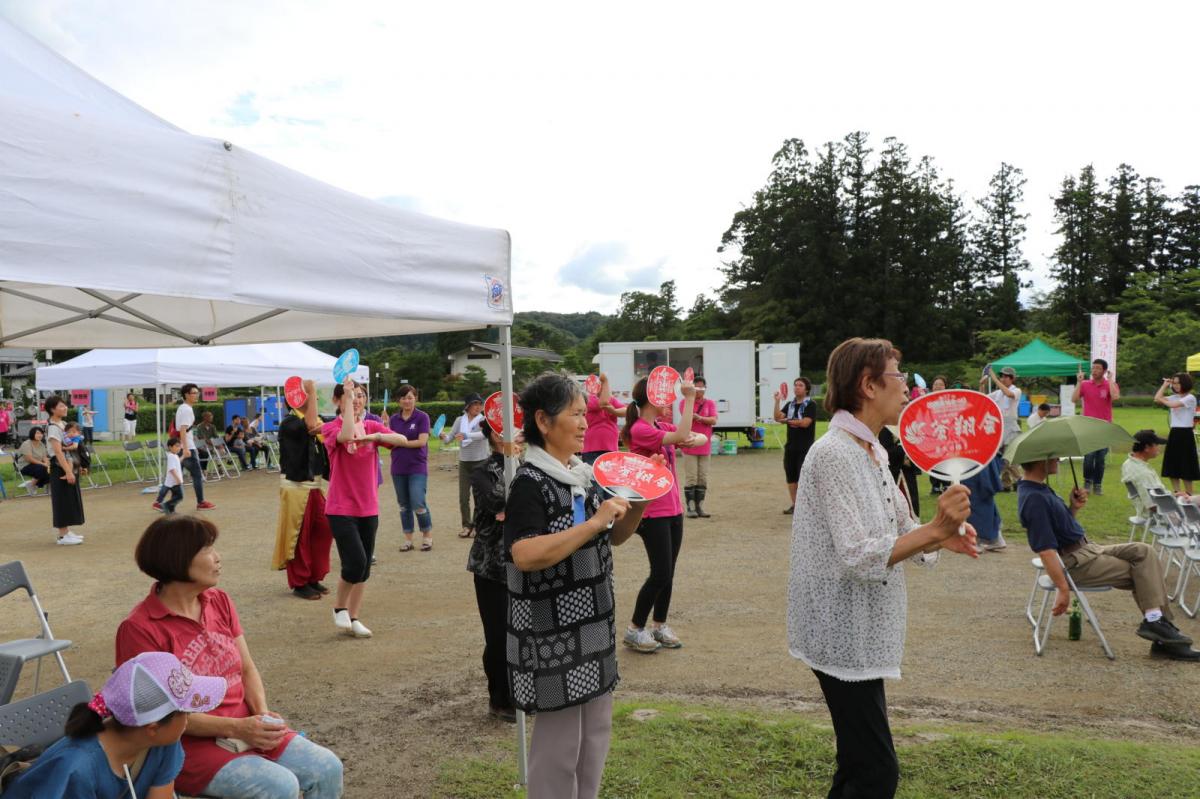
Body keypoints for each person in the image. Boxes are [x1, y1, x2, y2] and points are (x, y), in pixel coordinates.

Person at [788, 337, 979, 799]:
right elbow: (858, 553)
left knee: (858, 764)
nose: (908, 388)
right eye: (899, 376)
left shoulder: (872, 449)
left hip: (860, 630)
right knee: (876, 771)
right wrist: (933, 531)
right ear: (868, 385)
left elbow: (902, 522)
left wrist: (941, 537)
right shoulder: (835, 453)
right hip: (840, 628)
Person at [116, 516, 345, 797]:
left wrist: (260, 713)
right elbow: (160, 716)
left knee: (327, 768)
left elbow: (246, 669)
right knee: (279, 786)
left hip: (247, 725)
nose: (218, 558)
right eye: (207, 550)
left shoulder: (219, 601)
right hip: (186, 747)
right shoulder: (140, 628)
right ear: (177, 558)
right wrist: (237, 728)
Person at [504, 373, 648, 799]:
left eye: (587, 413)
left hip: (593, 625)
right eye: (576, 414)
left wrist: (636, 502)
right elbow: (525, 554)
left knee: (596, 734)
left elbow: (613, 537)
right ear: (544, 422)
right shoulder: (530, 481)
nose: (586, 423)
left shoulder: (582, 475)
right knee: (560, 745)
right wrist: (595, 521)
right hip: (553, 635)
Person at [1017, 456, 1199, 660]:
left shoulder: (1041, 489)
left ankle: (1157, 626)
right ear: (1041, 460)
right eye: (1054, 456)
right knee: (1143, 572)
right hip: (1075, 563)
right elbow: (1046, 550)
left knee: (1144, 551)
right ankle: (1162, 632)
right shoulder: (1034, 498)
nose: (1058, 459)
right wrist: (1062, 588)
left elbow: (1060, 528)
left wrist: (1073, 507)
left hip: (1086, 550)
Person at [1, 650, 227, 799]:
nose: (188, 719)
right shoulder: (76, 769)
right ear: (153, 727)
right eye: (186, 712)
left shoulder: (164, 742)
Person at [622, 375, 703, 652]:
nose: (669, 398)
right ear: (650, 398)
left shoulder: (659, 425)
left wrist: (691, 436)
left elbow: (696, 435)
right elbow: (683, 436)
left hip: (673, 509)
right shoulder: (640, 430)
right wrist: (689, 398)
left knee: (669, 573)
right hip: (652, 512)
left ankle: (659, 625)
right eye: (664, 394)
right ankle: (634, 628)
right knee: (660, 573)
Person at [323, 378, 406, 637]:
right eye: (350, 395)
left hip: (368, 507)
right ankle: (339, 609)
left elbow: (402, 439)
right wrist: (348, 403)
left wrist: (377, 435)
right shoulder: (330, 428)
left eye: (360, 395)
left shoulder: (371, 425)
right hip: (340, 507)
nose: (357, 399)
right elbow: (346, 435)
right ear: (338, 401)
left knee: (365, 567)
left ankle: (355, 616)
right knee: (355, 562)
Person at [466, 417, 519, 722]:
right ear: (493, 436)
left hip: (524, 561)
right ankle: (499, 698)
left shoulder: (527, 465)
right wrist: (510, 505)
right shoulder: (483, 471)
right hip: (490, 565)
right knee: (498, 635)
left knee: (522, 632)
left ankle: (520, 692)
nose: (511, 433)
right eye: (502, 429)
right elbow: (494, 501)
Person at [273, 378, 334, 601]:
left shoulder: (315, 420)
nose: (315, 400)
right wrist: (311, 389)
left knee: (323, 531)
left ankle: (313, 577)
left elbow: (327, 425)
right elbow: (309, 426)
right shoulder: (290, 423)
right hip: (297, 487)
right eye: (311, 398)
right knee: (299, 537)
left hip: (314, 487)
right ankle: (300, 581)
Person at [388, 384, 433, 552]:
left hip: (417, 467)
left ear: (415, 398)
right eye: (403, 397)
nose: (407, 400)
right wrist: (384, 427)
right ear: (398, 400)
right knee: (403, 505)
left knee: (418, 502)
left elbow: (422, 441)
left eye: (410, 397)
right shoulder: (393, 419)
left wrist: (401, 442)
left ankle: (427, 536)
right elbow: (388, 442)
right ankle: (408, 539)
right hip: (398, 467)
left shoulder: (422, 417)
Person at [1122, 429, 1200, 518]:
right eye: (1156, 444)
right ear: (1147, 447)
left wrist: (1174, 496)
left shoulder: (1128, 464)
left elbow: (1156, 497)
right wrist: (1180, 502)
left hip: (1161, 509)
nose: (1158, 447)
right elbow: (1152, 505)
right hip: (1165, 515)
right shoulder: (1143, 473)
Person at [1073, 358, 1120, 494]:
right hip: (1088, 426)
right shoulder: (1085, 384)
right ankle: (1087, 481)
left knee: (1100, 458)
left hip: (1104, 427)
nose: (1094, 371)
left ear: (1104, 371)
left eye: (1098, 368)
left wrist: (1110, 380)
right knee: (1089, 457)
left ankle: (1098, 484)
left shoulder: (1109, 384)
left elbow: (1115, 397)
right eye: (1093, 368)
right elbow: (1074, 399)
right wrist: (1079, 382)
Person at [45, 395, 86, 546]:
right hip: (59, 466)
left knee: (68, 498)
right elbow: (58, 452)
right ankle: (63, 535)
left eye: (65, 405)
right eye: (61, 406)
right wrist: (68, 471)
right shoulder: (53, 428)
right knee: (62, 500)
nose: (65, 408)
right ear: (52, 409)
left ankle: (66, 532)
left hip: (67, 465)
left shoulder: (62, 424)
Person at [775, 376, 817, 514]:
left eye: (800, 385)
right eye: (795, 385)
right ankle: (795, 505)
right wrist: (777, 402)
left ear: (807, 389)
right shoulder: (790, 405)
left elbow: (805, 423)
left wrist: (787, 420)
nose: (797, 387)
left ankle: (806, 506)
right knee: (791, 476)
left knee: (802, 477)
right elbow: (777, 417)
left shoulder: (811, 405)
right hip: (791, 446)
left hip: (805, 447)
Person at [449, 393, 489, 538]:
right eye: (475, 404)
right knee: (463, 497)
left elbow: (484, 434)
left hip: (481, 462)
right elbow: (450, 437)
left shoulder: (483, 420)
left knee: (479, 497)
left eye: (480, 404)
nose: (478, 407)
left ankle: (477, 526)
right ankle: (466, 525)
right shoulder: (459, 420)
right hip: (464, 463)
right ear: (468, 406)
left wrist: (467, 435)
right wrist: (442, 435)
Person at [680, 375, 717, 519]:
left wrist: (700, 418)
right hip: (690, 444)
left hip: (705, 446)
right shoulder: (685, 402)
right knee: (691, 477)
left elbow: (713, 420)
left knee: (702, 477)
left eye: (702, 387)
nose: (699, 390)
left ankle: (700, 507)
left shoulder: (710, 403)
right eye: (697, 387)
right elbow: (686, 417)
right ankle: (690, 507)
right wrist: (697, 418)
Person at [1155, 372, 1199, 495]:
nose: (1175, 385)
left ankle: (1189, 494)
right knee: (1172, 464)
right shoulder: (1175, 396)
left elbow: (1171, 404)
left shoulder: (1190, 398)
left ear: (1185, 383)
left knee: (1186, 464)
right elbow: (1156, 398)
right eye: (1173, 383)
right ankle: (1177, 492)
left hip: (1185, 434)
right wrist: (1164, 385)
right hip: (1174, 432)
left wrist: (1164, 399)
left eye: (1177, 383)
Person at [981, 365, 1022, 490]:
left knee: (1009, 456)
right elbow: (985, 399)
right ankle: (1007, 483)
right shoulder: (998, 392)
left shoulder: (1017, 390)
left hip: (1011, 426)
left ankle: (1019, 480)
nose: (1003, 378)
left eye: (1006, 376)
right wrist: (982, 385)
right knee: (1001, 456)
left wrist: (994, 378)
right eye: (1002, 376)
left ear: (1012, 378)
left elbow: (1009, 394)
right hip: (999, 425)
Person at [176, 384, 215, 509]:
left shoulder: (183, 408)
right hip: (187, 448)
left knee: (175, 475)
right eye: (194, 393)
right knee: (197, 475)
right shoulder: (186, 409)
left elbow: (185, 430)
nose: (197, 395)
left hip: (181, 446)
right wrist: (186, 448)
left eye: (197, 392)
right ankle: (201, 502)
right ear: (186, 395)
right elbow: (182, 429)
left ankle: (161, 502)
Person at [963, 454, 1006, 551]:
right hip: (984, 460)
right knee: (986, 500)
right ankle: (996, 539)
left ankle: (975, 542)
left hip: (974, 462)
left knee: (973, 501)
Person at [581, 373, 624, 464]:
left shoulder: (612, 400)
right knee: (593, 476)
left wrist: (614, 412)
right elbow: (603, 403)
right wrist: (605, 381)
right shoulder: (589, 400)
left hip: (611, 447)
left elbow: (627, 411)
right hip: (592, 449)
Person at [878, 425, 920, 518]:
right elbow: (885, 451)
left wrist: (910, 457)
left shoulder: (907, 425)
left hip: (908, 472)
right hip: (895, 472)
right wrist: (903, 452)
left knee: (912, 502)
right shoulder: (886, 429)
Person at [160, 437, 184, 514]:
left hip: (174, 482)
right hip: (174, 482)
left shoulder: (175, 456)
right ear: (170, 447)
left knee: (174, 496)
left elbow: (177, 463)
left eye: (179, 446)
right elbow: (172, 469)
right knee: (180, 496)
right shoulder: (171, 456)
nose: (179, 448)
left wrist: (184, 456)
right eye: (176, 446)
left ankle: (171, 510)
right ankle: (166, 505)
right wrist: (177, 479)